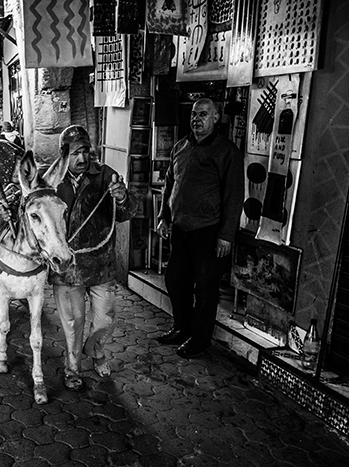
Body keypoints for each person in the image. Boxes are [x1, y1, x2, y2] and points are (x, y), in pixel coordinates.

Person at [50, 124, 140, 391]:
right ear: (64, 154)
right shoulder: (52, 181)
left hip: (100, 264)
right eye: (76, 153)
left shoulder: (106, 176)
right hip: (66, 269)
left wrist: (122, 197)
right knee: (72, 323)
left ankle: (96, 350)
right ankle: (73, 368)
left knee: (104, 319)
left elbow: (127, 212)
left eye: (86, 151)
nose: (82, 158)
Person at [156, 98, 244, 358]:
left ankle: (200, 338)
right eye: (194, 114)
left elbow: (234, 196)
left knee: (205, 288)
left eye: (203, 114)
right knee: (175, 280)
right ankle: (182, 328)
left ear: (216, 118)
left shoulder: (226, 152)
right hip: (181, 228)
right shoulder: (181, 146)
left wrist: (226, 235)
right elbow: (169, 185)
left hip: (209, 230)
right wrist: (164, 216)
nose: (196, 119)